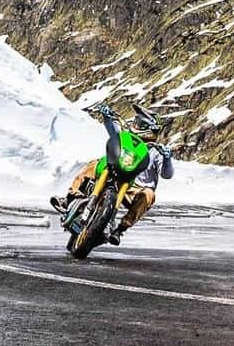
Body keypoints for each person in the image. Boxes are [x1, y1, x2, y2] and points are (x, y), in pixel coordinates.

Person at [51, 103, 174, 245]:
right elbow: (113, 131)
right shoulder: (125, 136)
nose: (135, 124)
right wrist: (107, 117)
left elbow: (167, 174)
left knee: (149, 195)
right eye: (136, 121)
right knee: (95, 163)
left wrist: (167, 159)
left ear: (150, 129)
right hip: (115, 170)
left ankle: (119, 230)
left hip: (133, 188)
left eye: (139, 123)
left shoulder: (155, 151)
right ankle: (70, 197)